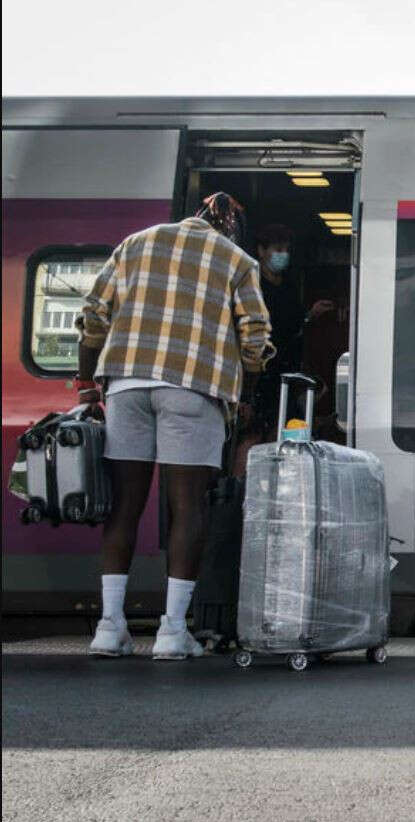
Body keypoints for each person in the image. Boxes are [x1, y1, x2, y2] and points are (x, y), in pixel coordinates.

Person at [76, 192, 273, 660]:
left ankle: (109, 626)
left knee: (124, 507)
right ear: (229, 231)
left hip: (125, 384)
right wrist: (250, 373)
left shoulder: (135, 243)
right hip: (192, 387)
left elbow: (93, 317)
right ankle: (170, 631)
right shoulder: (237, 259)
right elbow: (256, 336)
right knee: (188, 509)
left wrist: (87, 386)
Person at [233, 224, 334, 470]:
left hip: (284, 370)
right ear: (261, 251)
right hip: (258, 372)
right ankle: (239, 488)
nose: (284, 255)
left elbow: (292, 325)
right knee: (253, 434)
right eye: (278, 249)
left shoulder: (288, 286)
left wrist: (309, 316)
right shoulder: (252, 286)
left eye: (287, 249)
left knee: (277, 431)